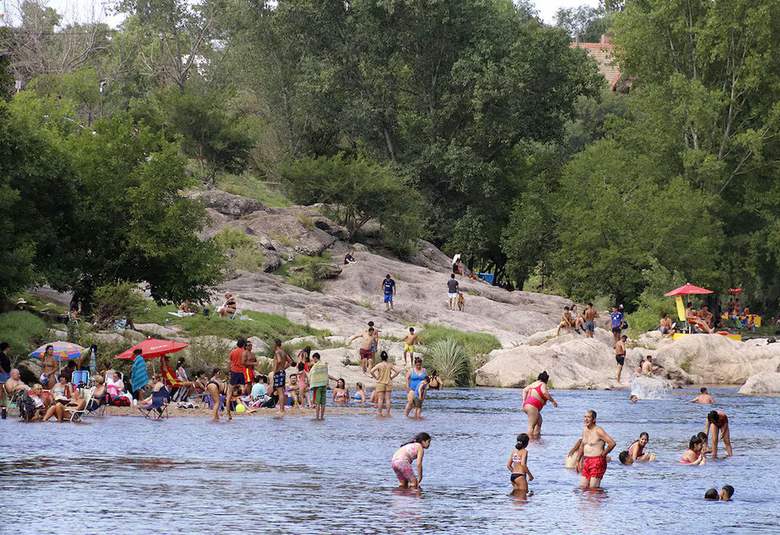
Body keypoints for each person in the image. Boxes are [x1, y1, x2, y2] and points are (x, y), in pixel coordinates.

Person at [577, 410, 616, 489]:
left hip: (597, 461)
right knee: (582, 487)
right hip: (586, 461)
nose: (586, 419)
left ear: (594, 419)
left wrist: (604, 454)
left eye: (588, 417)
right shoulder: (585, 430)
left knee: (593, 489)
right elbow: (582, 445)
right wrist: (578, 461)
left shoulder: (598, 430)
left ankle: (601, 496)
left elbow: (612, 443)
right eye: (585, 417)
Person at [521, 371, 558, 438]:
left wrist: (524, 401)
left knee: (539, 421)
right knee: (531, 426)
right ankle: (529, 440)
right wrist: (553, 401)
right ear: (546, 380)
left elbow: (524, 390)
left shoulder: (533, 384)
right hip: (532, 407)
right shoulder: (543, 384)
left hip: (527, 405)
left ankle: (536, 438)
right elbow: (545, 393)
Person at [370, 350, 402, 417]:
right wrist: (392, 377)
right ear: (387, 357)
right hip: (388, 383)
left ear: (381, 357)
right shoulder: (390, 365)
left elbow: (371, 371)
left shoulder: (379, 365)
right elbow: (398, 371)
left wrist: (376, 377)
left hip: (380, 383)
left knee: (380, 399)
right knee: (388, 399)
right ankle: (388, 413)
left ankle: (379, 413)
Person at [308, 352, 337, 420]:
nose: (313, 360)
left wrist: (310, 383)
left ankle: (317, 417)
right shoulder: (324, 365)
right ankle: (322, 417)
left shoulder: (315, 366)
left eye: (313, 359)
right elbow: (326, 374)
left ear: (315, 358)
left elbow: (311, 375)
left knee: (318, 402)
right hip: (324, 385)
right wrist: (335, 379)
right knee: (323, 403)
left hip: (317, 386)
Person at [227, 338, 248, 420]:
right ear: (244, 345)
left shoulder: (233, 352)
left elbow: (230, 362)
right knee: (243, 390)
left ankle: (228, 413)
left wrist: (229, 371)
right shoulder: (245, 352)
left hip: (234, 372)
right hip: (241, 372)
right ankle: (239, 400)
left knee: (229, 394)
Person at [507, 433, 534, 497]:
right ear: (526, 443)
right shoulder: (524, 451)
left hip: (513, 476)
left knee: (516, 497)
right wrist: (530, 475)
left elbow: (508, 465)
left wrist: (515, 472)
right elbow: (523, 464)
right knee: (524, 496)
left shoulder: (514, 451)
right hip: (520, 476)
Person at [271, 339, 293, 415]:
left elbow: (279, 361)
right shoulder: (284, 352)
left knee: (280, 392)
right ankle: (282, 409)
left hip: (278, 373)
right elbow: (290, 361)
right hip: (282, 372)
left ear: (275, 344)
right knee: (281, 391)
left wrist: (274, 371)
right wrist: (283, 368)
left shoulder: (277, 352)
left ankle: (281, 410)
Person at [0, 342, 11, 419]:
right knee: (1, 389)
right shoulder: (1, 355)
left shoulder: (5, 355)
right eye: (9, 347)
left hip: (6, 373)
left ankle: (3, 404)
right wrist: (3, 372)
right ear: (6, 347)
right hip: (2, 374)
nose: (9, 348)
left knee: (4, 390)